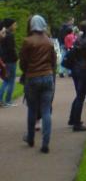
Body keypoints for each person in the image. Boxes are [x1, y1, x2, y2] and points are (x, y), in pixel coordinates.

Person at [19, 15, 56, 153]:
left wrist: (27, 70)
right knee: (46, 110)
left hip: (32, 77)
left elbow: (23, 62)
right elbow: (53, 60)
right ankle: (45, 142)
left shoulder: (28, 41)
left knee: (32, 110)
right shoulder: (49, 41)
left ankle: (31, 137)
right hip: (47, 76)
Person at [67, 20, 86, 131]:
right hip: (84, 70)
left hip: (76, 69)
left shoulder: (78, 39)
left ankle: (72, 119)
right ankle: (77, 123)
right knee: (81, 96)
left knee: (78, 95)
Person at [0, 18, 19, 107]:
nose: (15, 26)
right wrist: (16, 58)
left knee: (5, 81)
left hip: (5, 60)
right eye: (14, 24)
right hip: (10, 60)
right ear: (10, 25)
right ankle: (7, 100)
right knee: (10, 81)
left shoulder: (3, 34)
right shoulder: (9, 35)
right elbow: (11, 49)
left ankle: (1, 100)